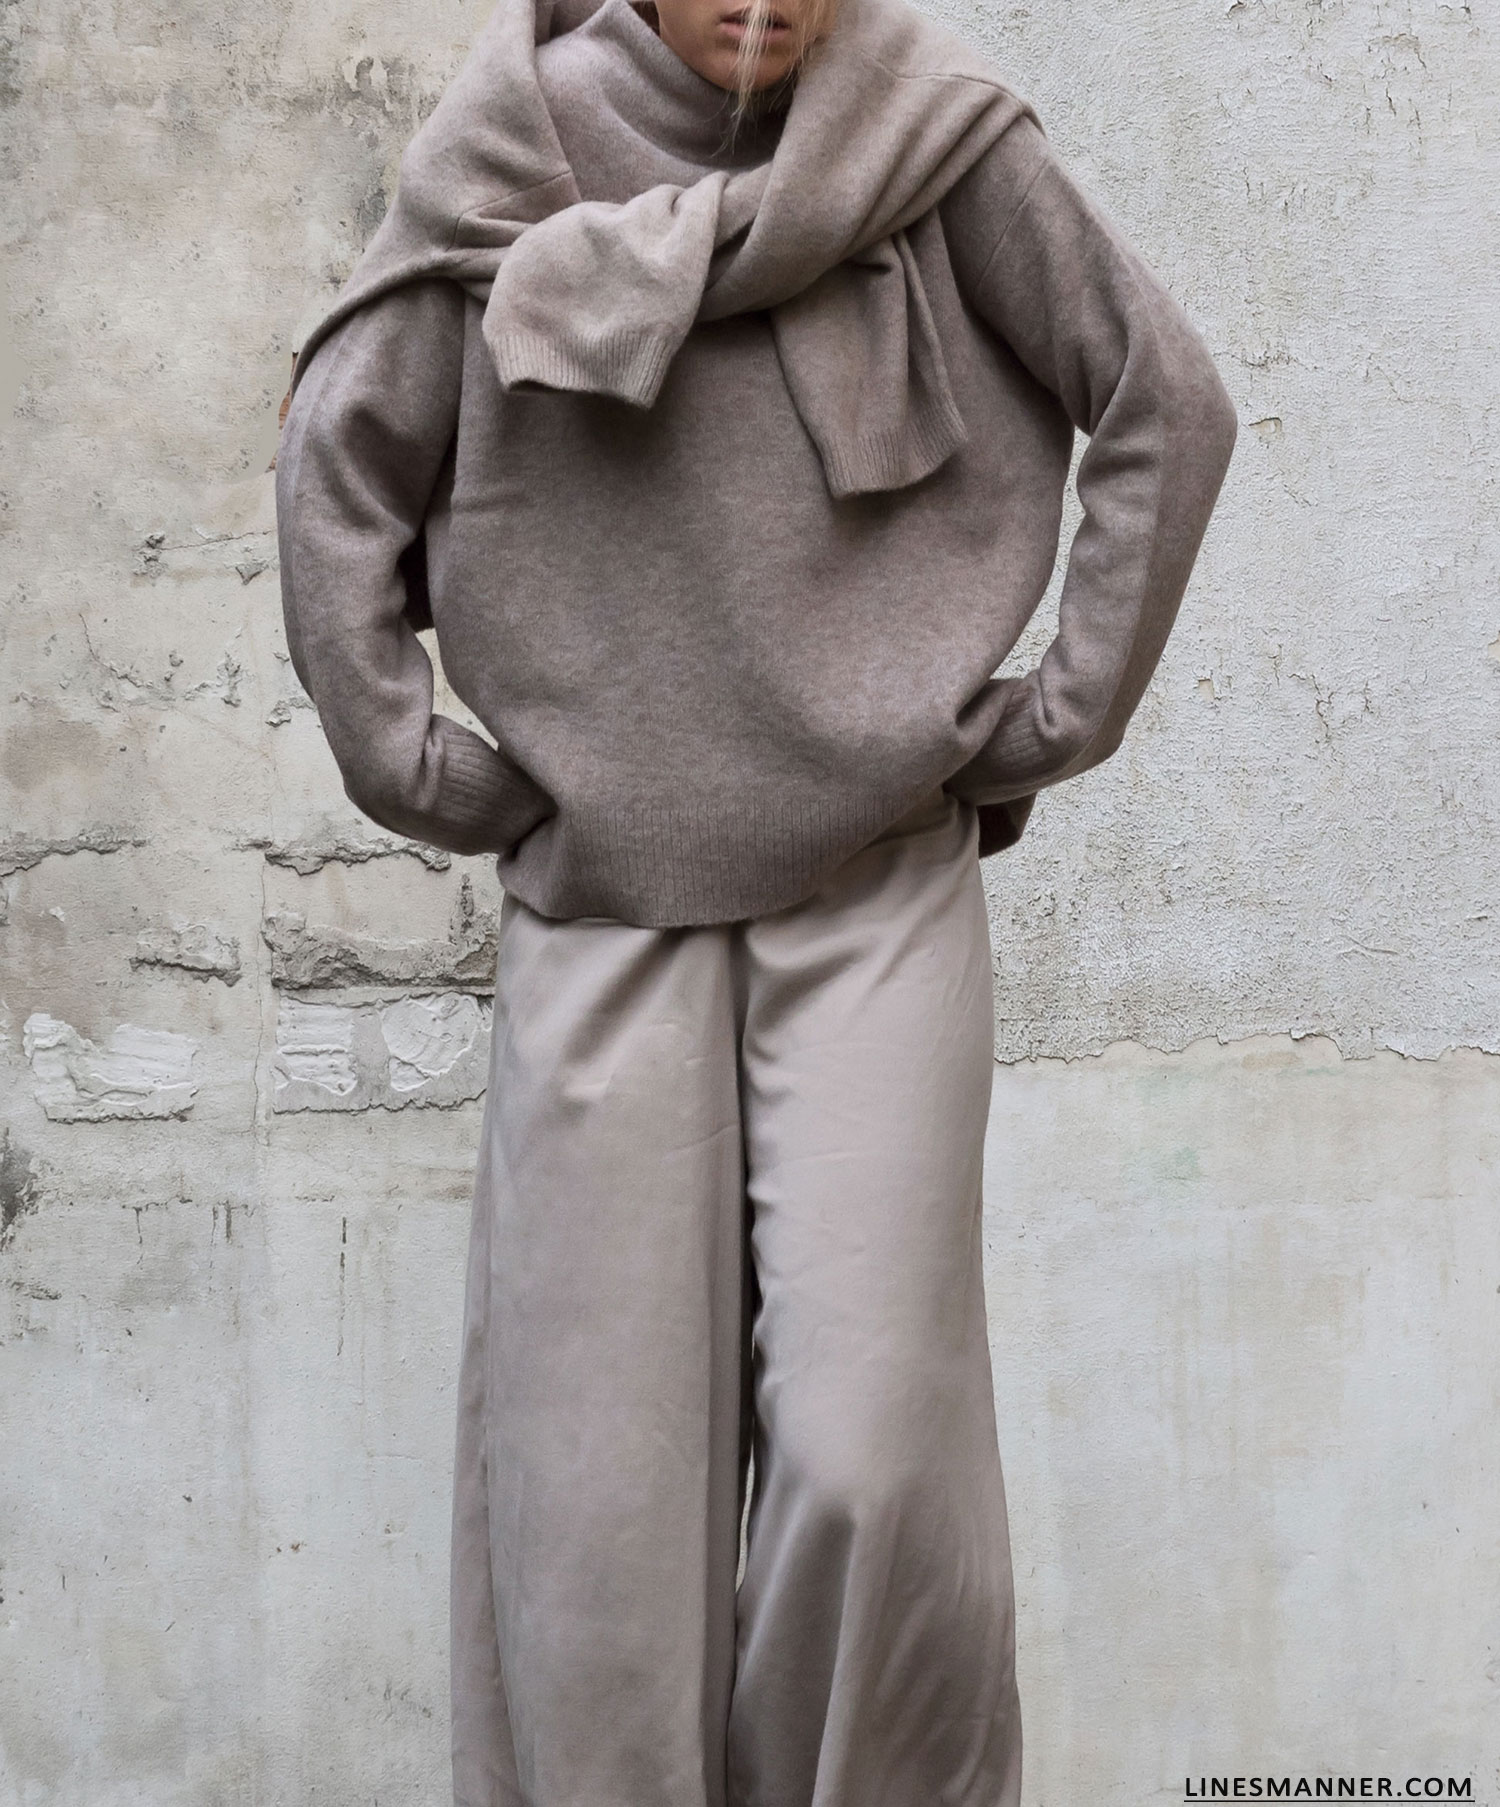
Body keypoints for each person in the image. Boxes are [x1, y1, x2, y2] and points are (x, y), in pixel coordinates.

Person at [273, 0, 1237, 1796]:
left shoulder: (935, 134)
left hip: (875, 882)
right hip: (604, 905)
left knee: (875, 1454)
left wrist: (1055, 717)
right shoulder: (518, 144)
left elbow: (1163, 402)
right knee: (593, 1498)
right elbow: (339, 461)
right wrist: (420, 767)